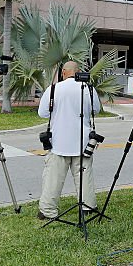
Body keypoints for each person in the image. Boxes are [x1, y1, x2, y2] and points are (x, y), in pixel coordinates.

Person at [37, 60, 102, 220]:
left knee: (53, 179)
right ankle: (88, 207)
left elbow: (43, 113)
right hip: (83, 143)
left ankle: (48, 211)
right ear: (78, 72)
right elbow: (96, 110)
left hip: (59, 142)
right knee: (84, 177)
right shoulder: (88, 89)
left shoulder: (53, 89)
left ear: (63, 72)